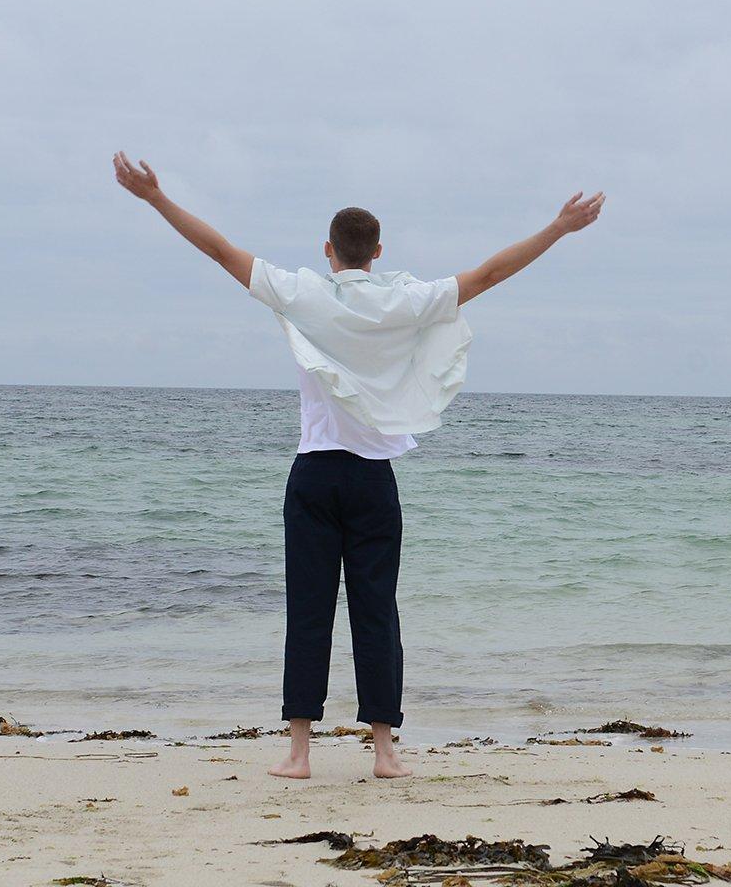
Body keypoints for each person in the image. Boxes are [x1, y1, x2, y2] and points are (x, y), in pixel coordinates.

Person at [113, 151, 605, 779]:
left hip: (314, 474)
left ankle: (298, 754)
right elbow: (491, 272)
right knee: (377, 610)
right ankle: (385, 751)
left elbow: (219, 250)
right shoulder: (406, 302)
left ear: (329, 249)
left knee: (308, 610)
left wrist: (156, 198)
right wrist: (559, 228)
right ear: (378, 251)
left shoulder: (302, 294)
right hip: (373, 478)